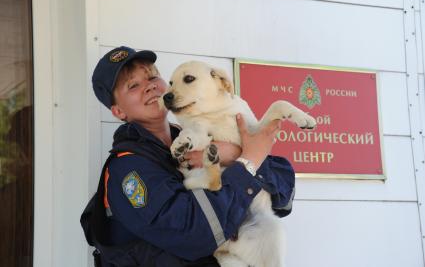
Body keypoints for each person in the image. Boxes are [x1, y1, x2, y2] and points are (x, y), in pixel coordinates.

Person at [81, 46, 296, 267]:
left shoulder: (195, 138)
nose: (150, 86)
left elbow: (284, 197)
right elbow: (196, 232)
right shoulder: (128, 169)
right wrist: (248, 162)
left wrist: (235, 155)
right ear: (118, 112)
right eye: (133, 85)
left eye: (153, 76)